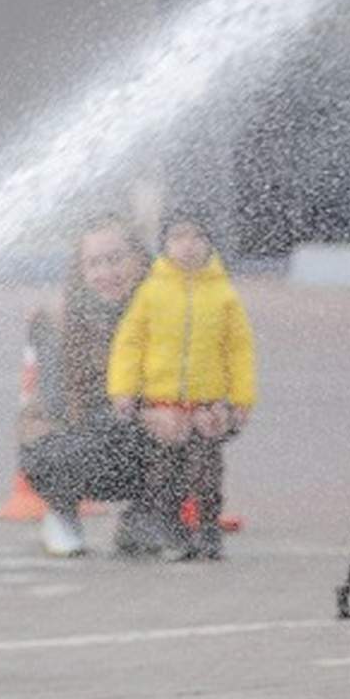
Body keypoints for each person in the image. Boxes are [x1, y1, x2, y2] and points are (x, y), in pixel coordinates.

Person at [108, 206, 257, 561]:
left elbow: (239, 349)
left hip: (206, 404)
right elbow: (130, 343)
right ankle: (171, 530)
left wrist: (240, 397)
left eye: (197, 237)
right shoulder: (151, 292)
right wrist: (124, 390)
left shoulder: (223, 295)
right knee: (165, 472)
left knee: (206, 470)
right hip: (163, 405)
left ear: (210, 244)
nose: (188, 246)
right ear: (164, 244)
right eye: (178, 237)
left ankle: (208, 530)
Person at [18, 216, 156, 558]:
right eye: (94, 263)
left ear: (139, 259)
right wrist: (125, 410)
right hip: (78, 432)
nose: (107, 272)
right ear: (80, 270)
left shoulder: (166, 310)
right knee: (63, 446)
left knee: (184, 429)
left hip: (144, 429)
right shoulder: (57, 320)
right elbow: (58, 404)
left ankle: (147, 516)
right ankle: (62, 512)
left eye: (116, 259)